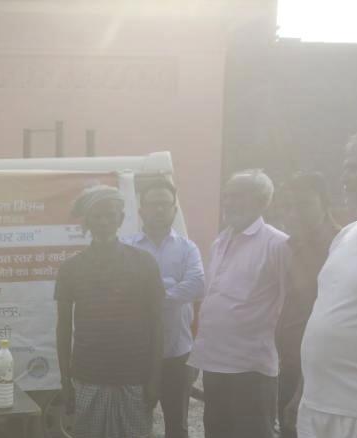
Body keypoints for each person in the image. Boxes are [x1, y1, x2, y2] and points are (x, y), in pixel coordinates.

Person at [296, 126, 357, 438]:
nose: (344, 178)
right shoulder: (348, 234)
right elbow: (322, 316)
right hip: (315, 407)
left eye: (354, 167)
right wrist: (301, 394)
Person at [188, 169, 291, 438]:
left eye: (238, 196)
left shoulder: (277, 244)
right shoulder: (221, 241)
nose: (229, 202)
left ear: (261, 201)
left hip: (251, 368)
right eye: (227, 196)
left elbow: (289, 303)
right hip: (214, 363)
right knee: (217, 432)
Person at [55, 185, 164, 438]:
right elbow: (63, 328)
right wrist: (65, 381)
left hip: (134, 378)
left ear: (121, 219)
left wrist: (154, 379)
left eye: (110, 215)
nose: (103, 222)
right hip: (88, 377)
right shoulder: (71, 268)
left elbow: (157, 324)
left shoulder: (145, 263)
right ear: (87, 221)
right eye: (97, 216)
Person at [122, 179, 205, 438]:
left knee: (177, 426)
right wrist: (172, 286)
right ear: (141, 210)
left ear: (174, 209)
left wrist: (153, 296)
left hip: (177, 353)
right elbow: (123, 291)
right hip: (136, 354)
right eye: (153, 204)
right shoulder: (127, 248)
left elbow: (197, 285)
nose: (159, 209)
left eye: (165, 204)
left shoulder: (188, 248)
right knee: (134, 425)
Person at [274, 172, 340, 438]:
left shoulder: (338, 249)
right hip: (289, 368)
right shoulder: (293, 245)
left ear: (325, 203)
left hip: (318, 377)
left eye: (303, 205)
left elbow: (331, 326)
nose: (293, 213)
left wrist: (301, 392)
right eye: (288, 206)